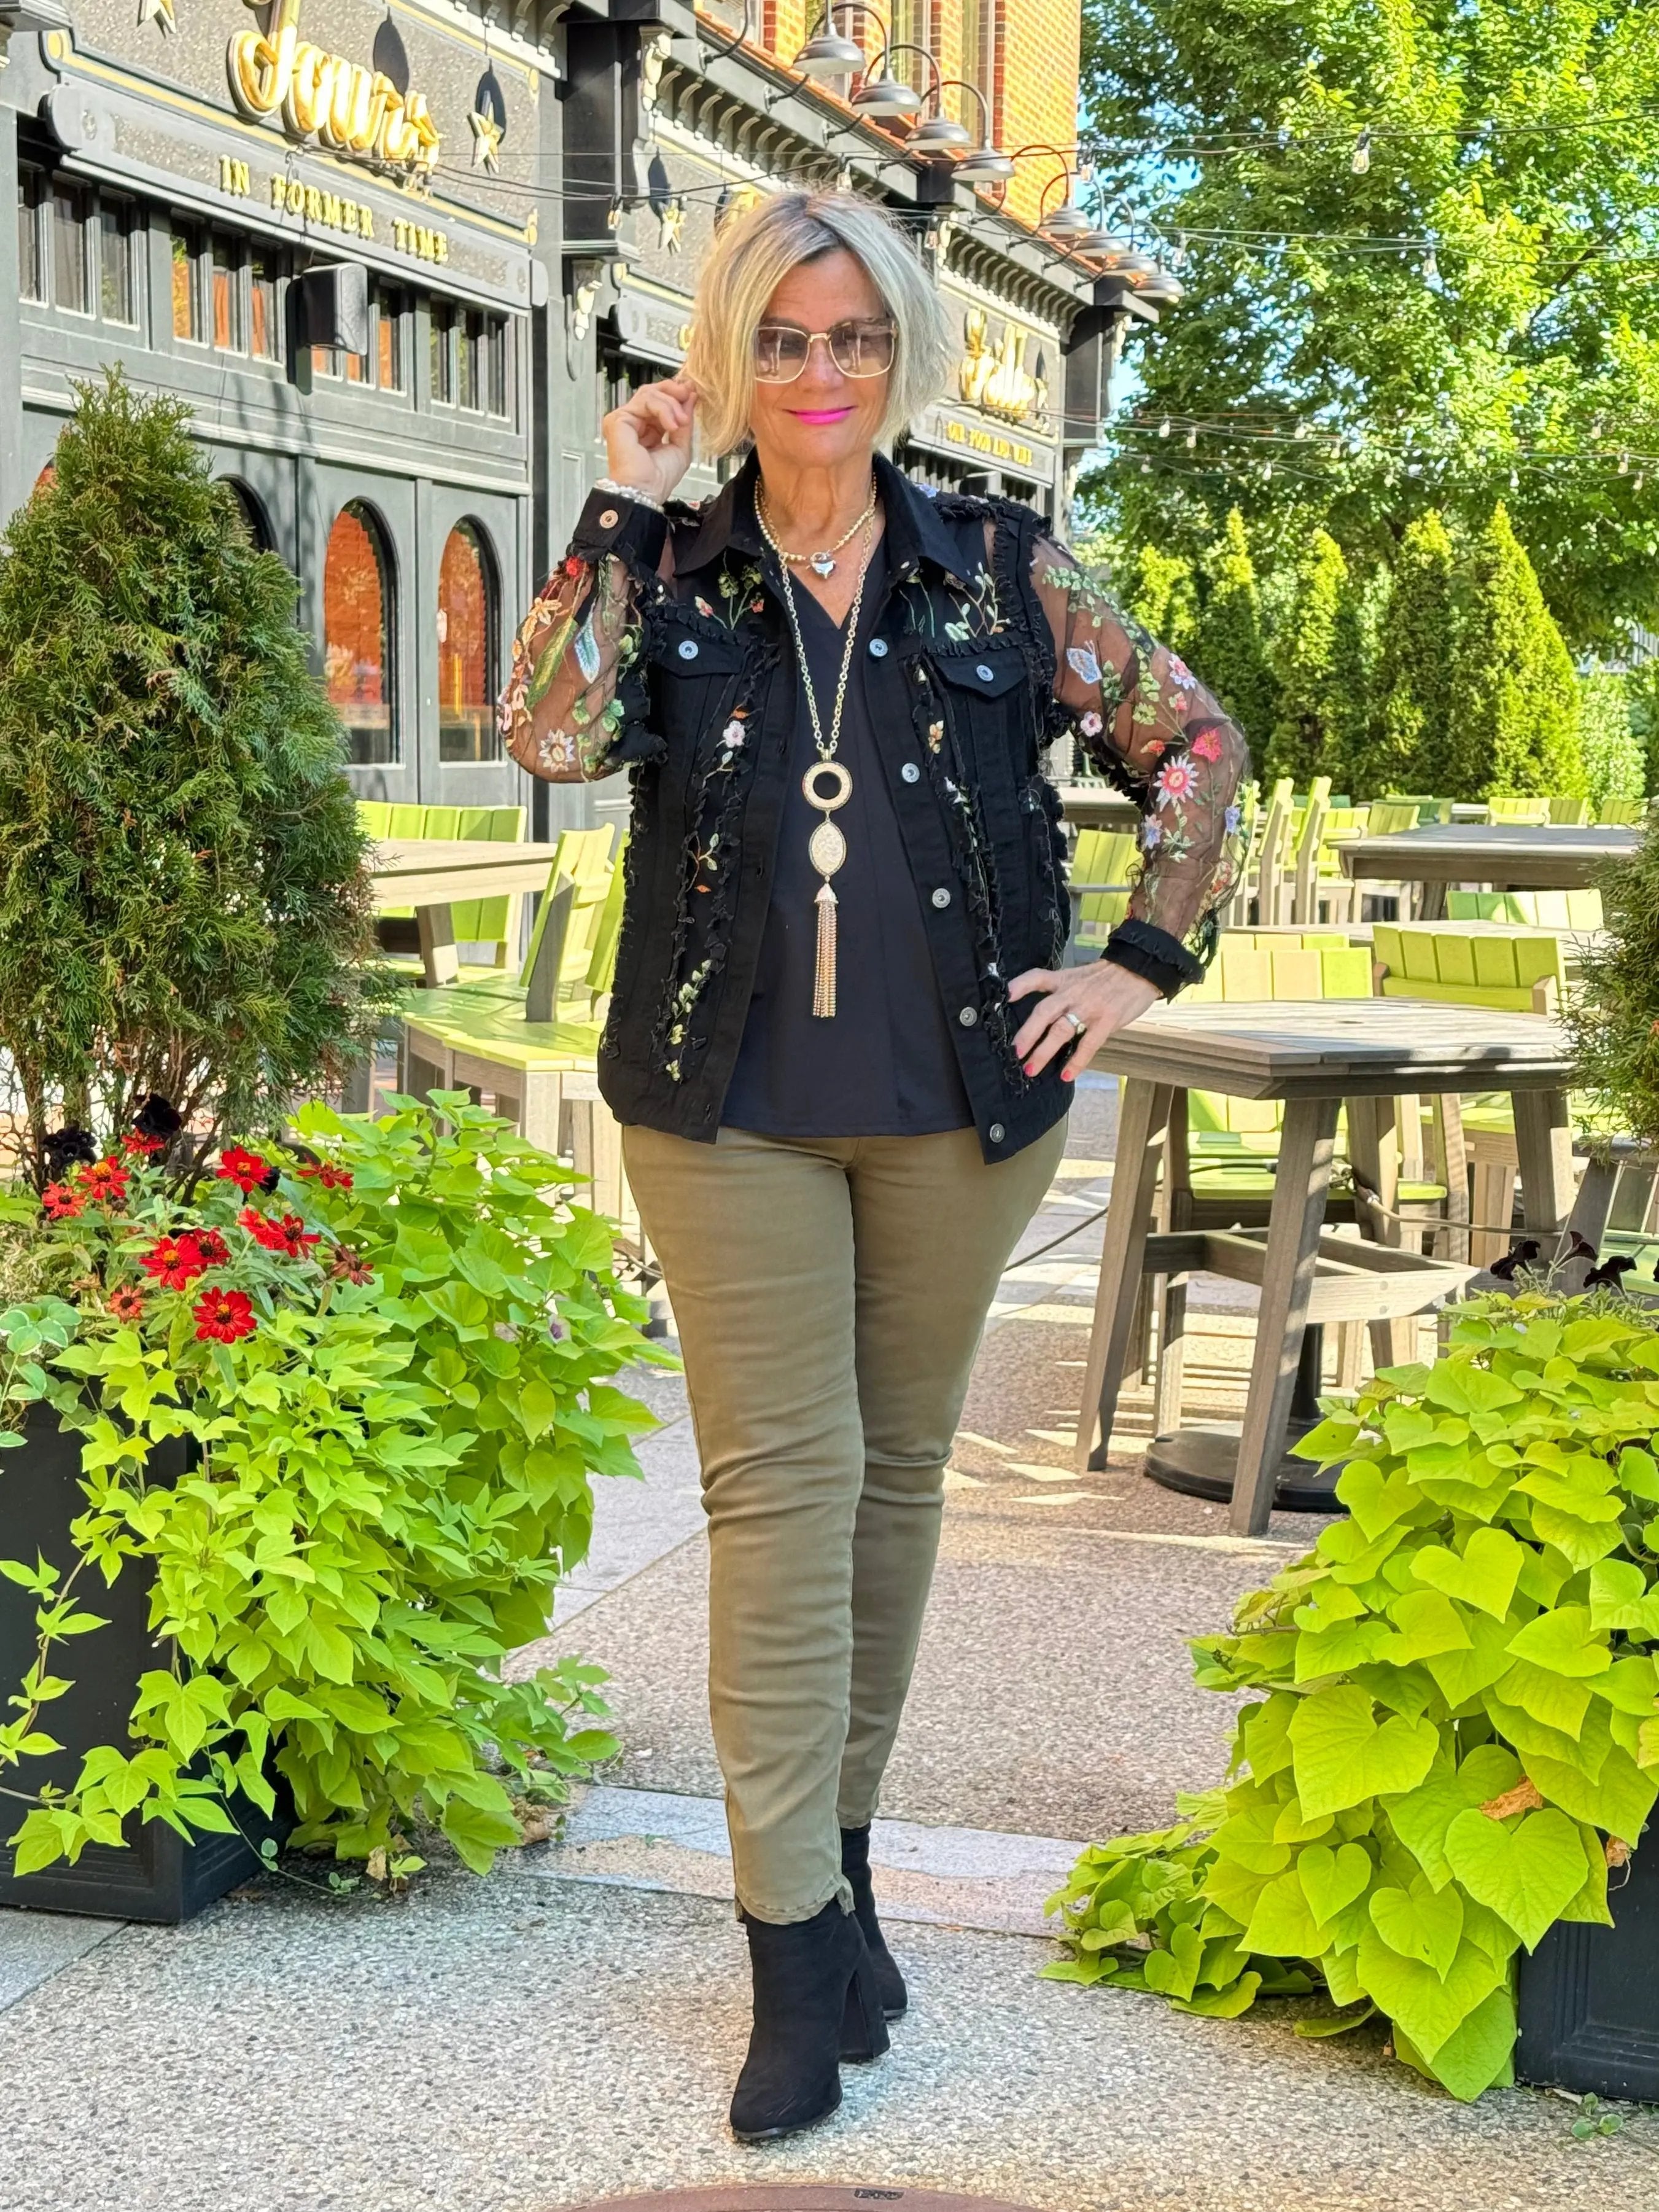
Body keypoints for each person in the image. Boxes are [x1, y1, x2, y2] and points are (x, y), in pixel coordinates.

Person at [497, 190, 1247, 2143]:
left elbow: (1193, 745)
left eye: (852, 339)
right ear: (731, 354)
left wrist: (1137, 959)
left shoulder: (996, 570)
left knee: (896, 1485)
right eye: (783, 338)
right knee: (781, 1496)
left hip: (960, 1107)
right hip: (724, 1104)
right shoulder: (673, 567)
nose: (819, 374)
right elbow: (548, 734)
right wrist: (618, 501)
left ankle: (839, 1883)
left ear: (900, 352)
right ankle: (787, 1951)